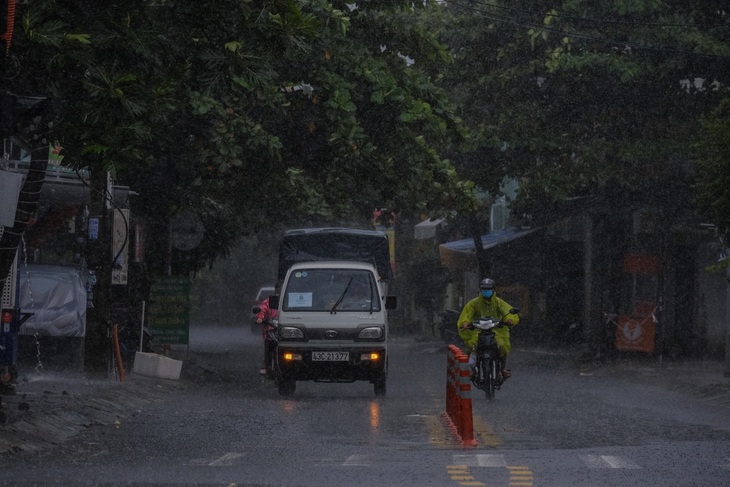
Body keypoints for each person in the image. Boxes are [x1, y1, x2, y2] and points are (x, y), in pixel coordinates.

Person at [457, 278, 519, 379]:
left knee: (502, 346)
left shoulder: (499, 302)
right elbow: (466, 315)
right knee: (472, 347)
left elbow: (507, 311)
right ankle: (472, 369)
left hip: (496, 331)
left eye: (488, 289)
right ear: (480, 290)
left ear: (494, 290)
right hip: (478, 331)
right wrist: (465, 323)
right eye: (484, 289)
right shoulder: (473, 303)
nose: (486, 291)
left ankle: (502, 369)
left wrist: (509, 319)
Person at [256, 296, 279, 376]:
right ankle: (267, 365)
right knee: (268, 347)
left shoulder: (289, 300)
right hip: (270, 330)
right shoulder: (268, 302)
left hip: (286, 330)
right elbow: (262, 310)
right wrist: (260, 318)